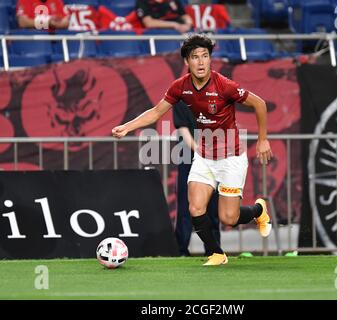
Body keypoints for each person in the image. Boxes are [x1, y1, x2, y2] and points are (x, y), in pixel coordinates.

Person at [112, 34, 273, 266]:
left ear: (210, 59)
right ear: (187, 61)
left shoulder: (225, 86)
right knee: (195, 207)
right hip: (205, 156)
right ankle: (216, 253)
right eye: (195, 57)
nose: (201, 62)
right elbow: (157, 112)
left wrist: (263, 140)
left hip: (231, 157)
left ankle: (258, 210)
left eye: (205, 56)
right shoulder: (180, 87)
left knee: (229, 217)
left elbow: (259, 103)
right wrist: (127, 127)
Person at [174, 101, 220, 257]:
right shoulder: (181, 98)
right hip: (188, 158)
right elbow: (182, 128)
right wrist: (198, 149)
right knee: (186, 207)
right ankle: (181, 251)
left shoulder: (217, 95)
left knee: (212, 208)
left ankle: (213, 250)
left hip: (213, 159)